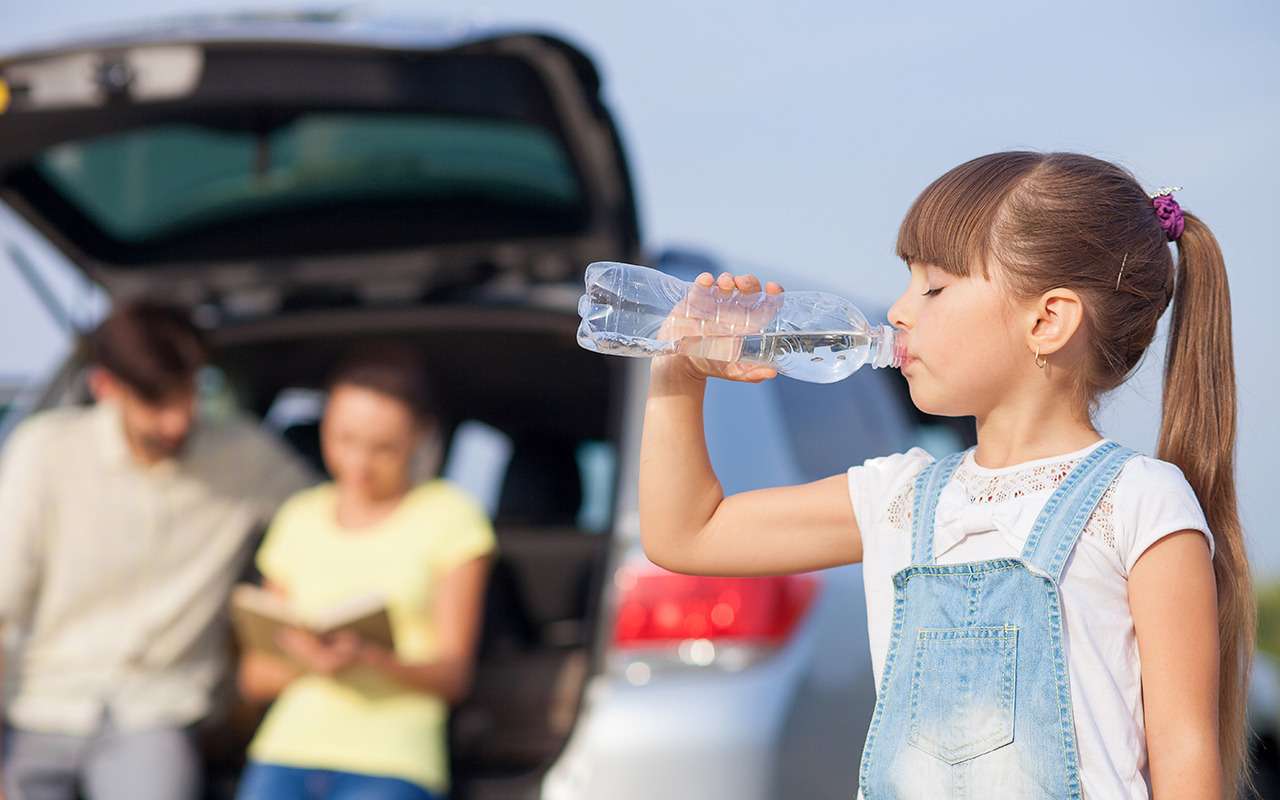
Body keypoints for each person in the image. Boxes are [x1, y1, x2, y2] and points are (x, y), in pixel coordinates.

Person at [639, 152, 1252, 799]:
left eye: (933, 287)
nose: (899, 311)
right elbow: (688, 533)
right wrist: (679, 374)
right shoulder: (897, 498)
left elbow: (1185, 755)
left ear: (1047, 320)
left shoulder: (1139, 502)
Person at [0, 302, 315, 800]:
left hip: (159, 713)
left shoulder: (247, 457)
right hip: (39, 706)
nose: (177, 421)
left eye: (190, 393)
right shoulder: (44, 451)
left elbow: (332, 523)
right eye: (154, 402)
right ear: (105, 387)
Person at [236, 346, 495, 800]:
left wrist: (372, 660)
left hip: (392, 761)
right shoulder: (298, 517)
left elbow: (455, 677)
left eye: (383, 449)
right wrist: (310, 661)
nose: (358, 463)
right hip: (283, 752)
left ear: (420, 439)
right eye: (343, 439)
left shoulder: (452, 516)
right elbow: (254, 676)